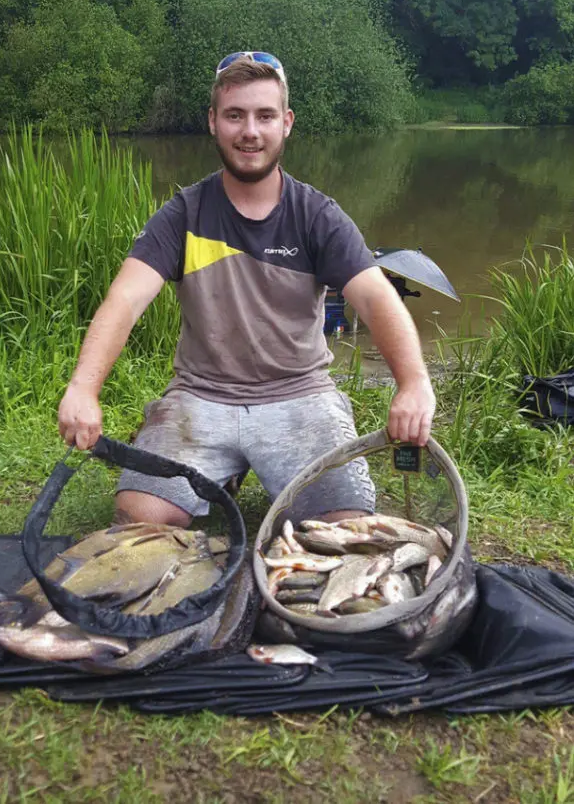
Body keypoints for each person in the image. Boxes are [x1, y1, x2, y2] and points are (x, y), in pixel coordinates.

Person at [58, 51, 435, 528]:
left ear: (287, 123)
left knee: (348, 526)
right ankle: (219, 469)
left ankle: (234, 473)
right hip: (201, 396)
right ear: (214, 122)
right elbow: (125, 301)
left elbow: (376, 298)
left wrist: (414, 383)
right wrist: (83, 388)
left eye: (265, 115)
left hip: (300, 394)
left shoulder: (317, 215)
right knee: (141, 519)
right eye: (235, 115)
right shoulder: (183, 214)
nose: (250, 131)